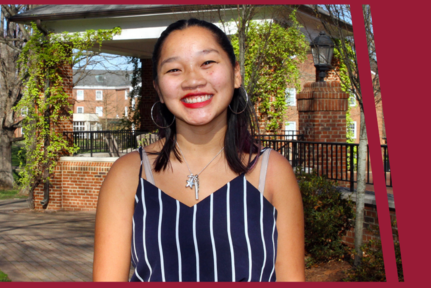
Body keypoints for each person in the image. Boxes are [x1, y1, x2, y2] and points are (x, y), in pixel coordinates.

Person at [93, 18, 304, 282]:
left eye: (207, 63)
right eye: (174, 69)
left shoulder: (272, 172)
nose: (193, 80)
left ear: (236, 73)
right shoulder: (128, 175)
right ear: (158, 88)